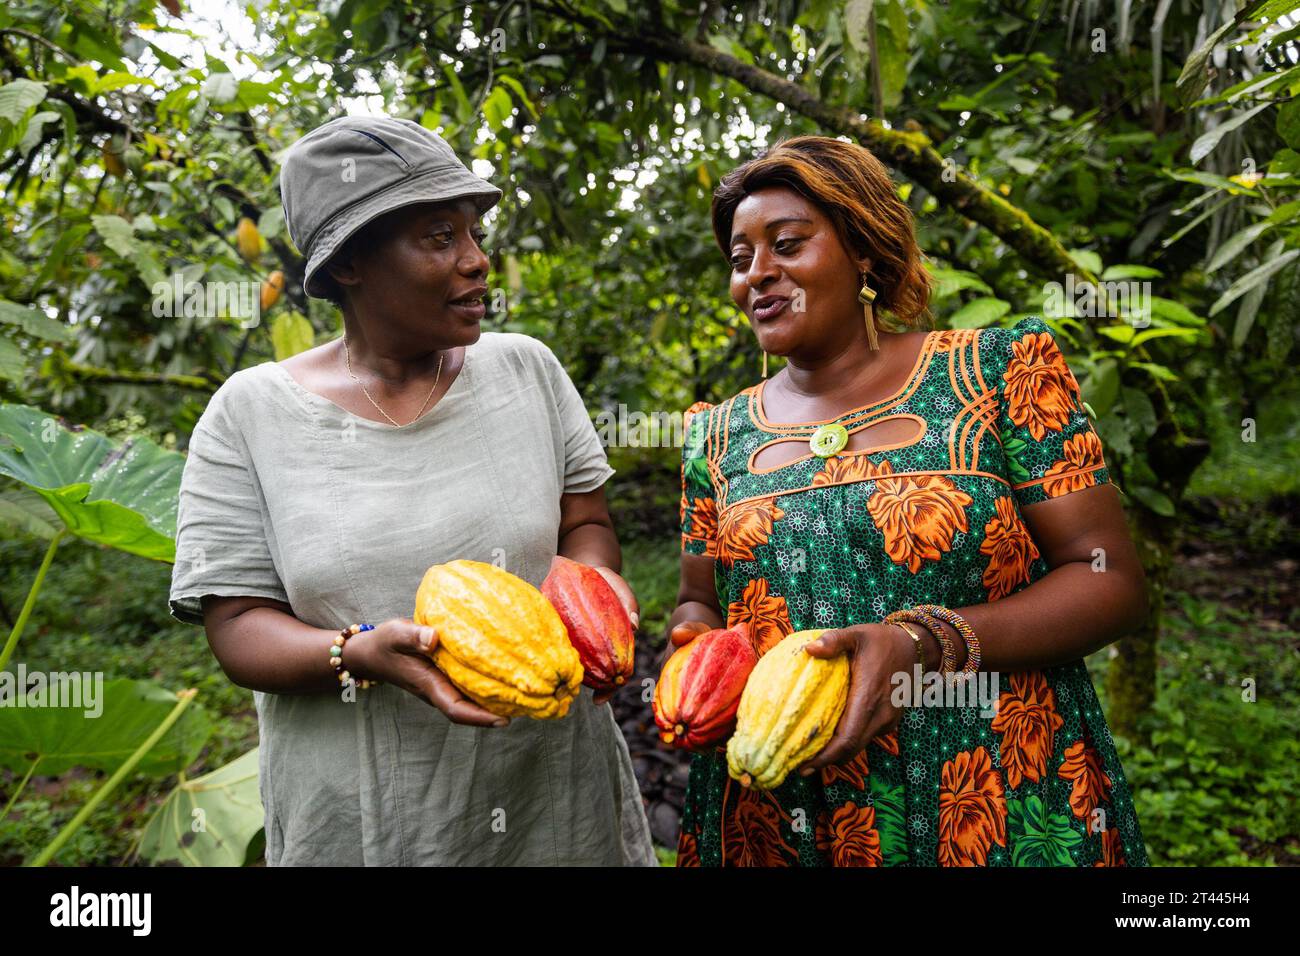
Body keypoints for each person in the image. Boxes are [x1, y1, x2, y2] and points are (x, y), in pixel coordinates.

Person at [169, 115, 656, 866]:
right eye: (439, 238)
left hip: (549, 790)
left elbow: (585, 523)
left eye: (473, 232)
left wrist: (587, 586)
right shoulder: (249, 414)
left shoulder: (527, 370)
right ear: (350, 265)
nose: (477, 261)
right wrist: (356, 652)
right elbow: (236, 626)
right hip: (365, 819)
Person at [668, 135, 1150, 867]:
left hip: (995, 791)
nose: (757, 275)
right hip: (783, 811)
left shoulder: (997, 372)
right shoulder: (714, 434)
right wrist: (693, 652)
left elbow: (1109, 579)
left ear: (863, 249)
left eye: (788, 245)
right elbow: (700, 603)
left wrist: (925, 645)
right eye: (740, 261)